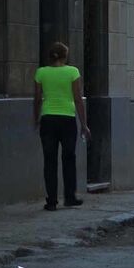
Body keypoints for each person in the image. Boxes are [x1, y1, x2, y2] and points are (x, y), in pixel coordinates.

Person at [33, 42, 90, 211]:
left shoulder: (41, 72)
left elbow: (37, 98)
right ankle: (70, 197)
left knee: (49, 160)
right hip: (67, 120)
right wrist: (84, 124)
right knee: (69, 157)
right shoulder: (73, 72)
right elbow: (78, 99)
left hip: (48, 119)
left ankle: (51, 201)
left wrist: (36, 118)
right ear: (65, 56)